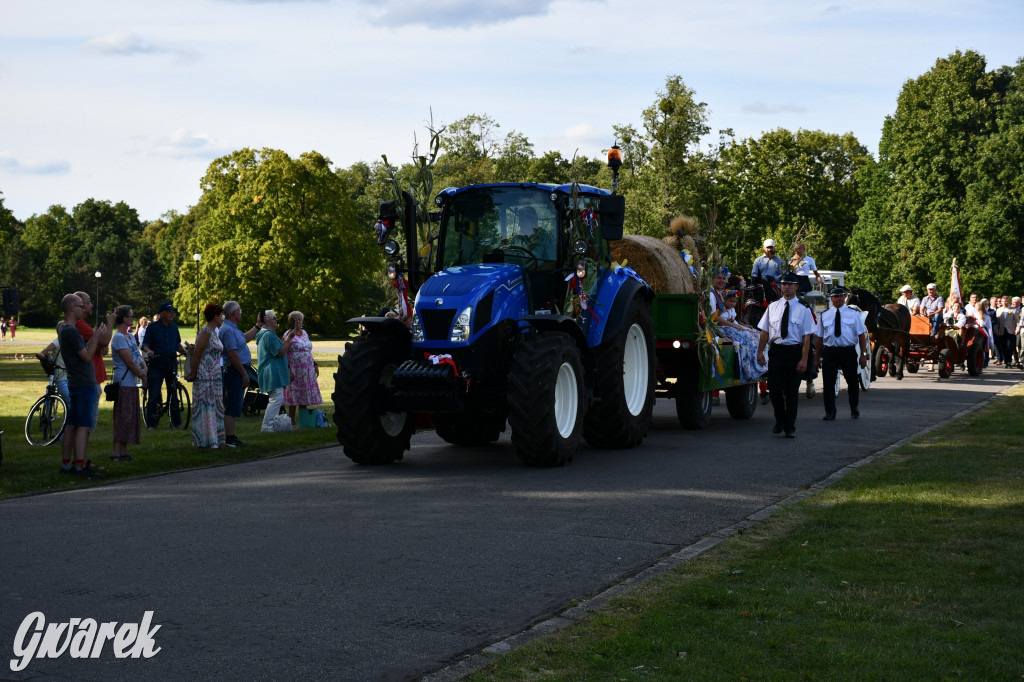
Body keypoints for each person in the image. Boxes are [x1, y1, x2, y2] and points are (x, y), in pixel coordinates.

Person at [756, 272, 815, 438]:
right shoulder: (773, 307)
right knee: (773, 389)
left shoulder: (804, 309)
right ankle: (780, 419)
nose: (786, 287)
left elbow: (806, 337)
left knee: (791, 392)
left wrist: (804, 359)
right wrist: (760, 351)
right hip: (777, 351)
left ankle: (789, 427)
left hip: (795, 352)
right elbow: (765, 331)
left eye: (790, 284)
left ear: (796, 286)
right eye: (783, 284)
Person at [58, 294, 106, 478]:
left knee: (72, 424)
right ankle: (80, 465)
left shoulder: (63, 328)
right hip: (84, 382)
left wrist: (92, 338)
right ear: (71, 308)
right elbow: (86, 356)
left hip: (74, 381)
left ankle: (66, 464)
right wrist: (96, 336)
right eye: (79, 306)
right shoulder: (70, 330)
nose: (83, 309)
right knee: (83, 425)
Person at [816, 286, 870, 421]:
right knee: (828, 383)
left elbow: (861, 335)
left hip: (848, 351)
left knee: (852, 382)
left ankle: (854, 408)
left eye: (841, 296)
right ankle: (830, 412)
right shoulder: (824, 315)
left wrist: (863, 355)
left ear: (844, 297)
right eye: (836, 296)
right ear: (831, 299)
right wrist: (817, 358)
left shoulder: (853, 314)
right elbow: (820, 339)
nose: (839, 298)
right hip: (830, 352)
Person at [220, 301, 261, 447]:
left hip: (237, 370)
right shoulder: (228, 330)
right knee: (232, 404)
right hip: (235, 370)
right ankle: (230, 439)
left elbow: (244, 338)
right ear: (233, 313)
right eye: (239, 310)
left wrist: (257, 326)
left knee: (236, 403)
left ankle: (232, 436)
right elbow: (232, 354)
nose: (241, 312)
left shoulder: (233, 328)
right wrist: (244, 373)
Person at [185, 303, 226, 448]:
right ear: (215, 317)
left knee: (215, 406)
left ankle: (217, 439)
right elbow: (197, 353)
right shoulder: (205, 332)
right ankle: (206, 440)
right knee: (206, 407)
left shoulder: (214, 332)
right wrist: (194, 372)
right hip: (205, 376)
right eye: (221, 315)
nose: (222, 318)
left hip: (215, 376)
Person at [110, 305, 147, 462]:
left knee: (129, 417)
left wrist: (144, 368)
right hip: (123, 382)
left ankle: (123, 451)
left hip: (132, 383)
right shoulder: (118, 337)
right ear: (124, 319)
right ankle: (116, 452)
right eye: (131, 316)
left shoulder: (130, 337)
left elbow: (137, 357)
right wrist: (141, 374)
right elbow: (129, 361)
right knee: (122, 417)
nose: (133, 318)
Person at [73, 291, 113, 432]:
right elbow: (104, 341)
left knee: (90, 410)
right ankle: (85, 438)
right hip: (90, 374)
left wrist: (101, 339)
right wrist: (110, 323)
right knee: (89, 413)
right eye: (89, 302)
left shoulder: (84, 324)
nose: (92, 305)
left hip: (94, 374)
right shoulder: (80, 324)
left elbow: (103, 348)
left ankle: (84, 438)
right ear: (81, 305)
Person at [141, 302, 185, 428]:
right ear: (162, 313)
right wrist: (149, 351)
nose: (172, 314)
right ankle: (151, 423)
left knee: (174, 393)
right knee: (154, 394)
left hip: (171, 363)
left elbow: (177, 344)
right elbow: (145, 344)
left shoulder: (174, 328)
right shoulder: (153, 327)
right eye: (169, 311)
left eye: (172, 311)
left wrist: (184, 351)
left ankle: (176, 423)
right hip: (157, 364)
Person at [282, 310, 322, 429]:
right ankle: (292, 421)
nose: (298, 320)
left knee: (304, 394)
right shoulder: (288, 334)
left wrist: (315, 364)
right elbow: (285, 352)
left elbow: (308, 349)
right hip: (295, 368)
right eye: (295, 318)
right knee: (294, 394)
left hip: (307, 368)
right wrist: (289, 369)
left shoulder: (304, 333)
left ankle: (304, 421)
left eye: (300, 318)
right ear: (291, 321)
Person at [255, 310, 292, 432]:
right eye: (274, 318)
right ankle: (266, 426)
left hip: (271, 372)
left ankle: (271, 425)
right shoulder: (268, 335)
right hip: (271, 372)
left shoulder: (267, 334)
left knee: (277, 398)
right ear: (267, 320)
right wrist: (289, 338)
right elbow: (280, 352)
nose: (276, 320)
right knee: (276, 398)